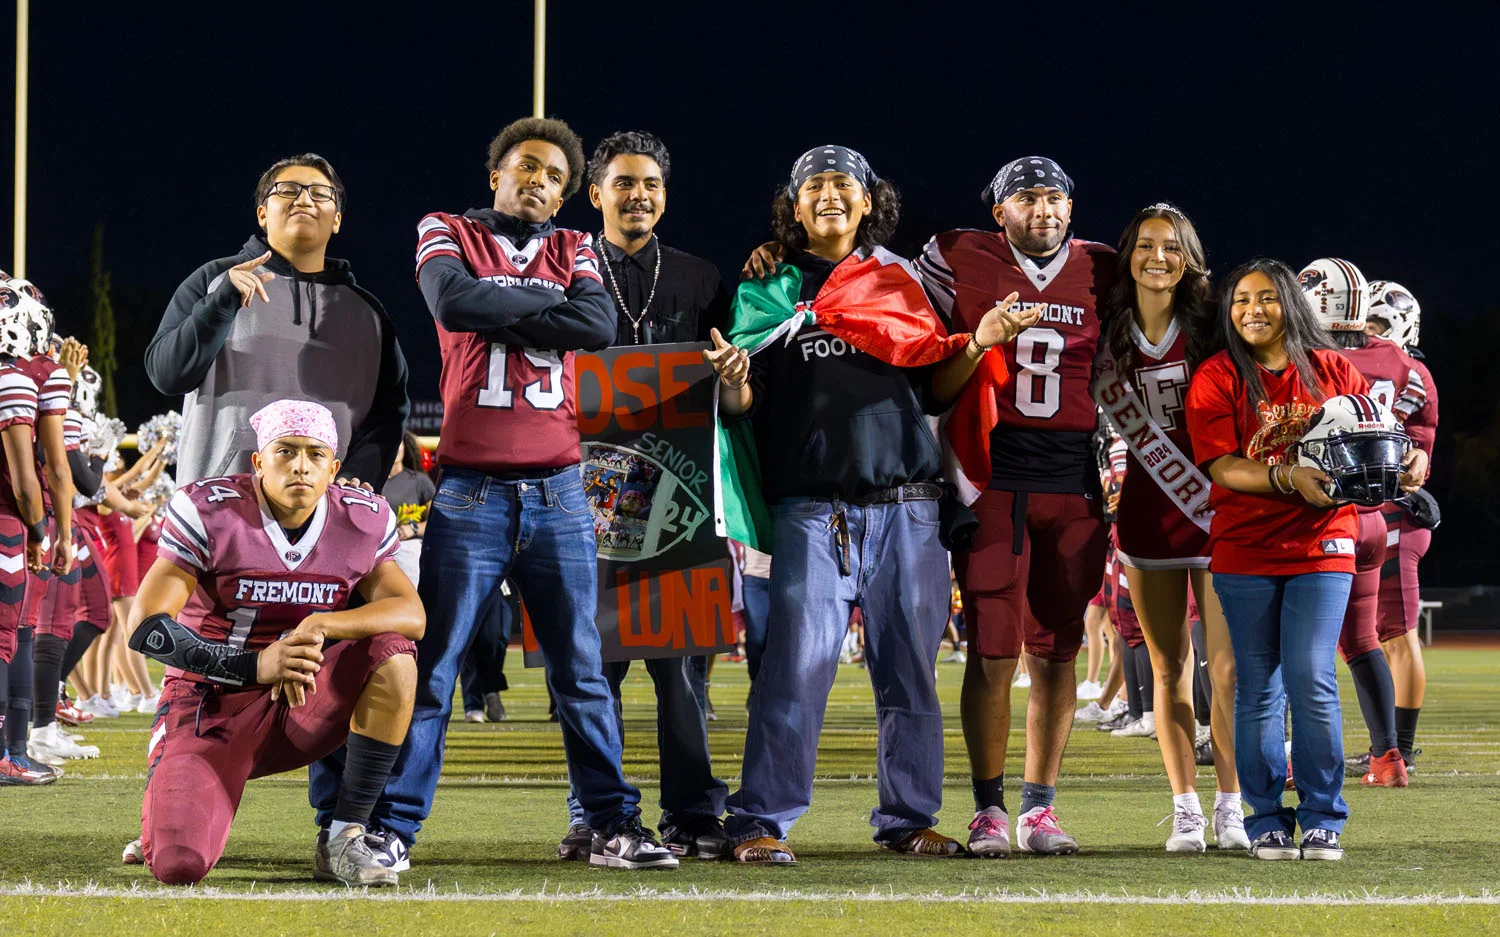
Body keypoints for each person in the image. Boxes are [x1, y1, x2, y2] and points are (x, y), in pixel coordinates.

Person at [356, 116, 675, 872]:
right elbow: (451, 304)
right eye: (526, 167)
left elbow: (596, 323)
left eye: (555, 176)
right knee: (435, 667)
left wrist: (506, 304)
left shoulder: (576, 247)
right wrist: (544, 314)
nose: (538, 181)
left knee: (582, 670)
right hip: (470, 488)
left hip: (560, 487)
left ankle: (612, 822)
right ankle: (396, 826)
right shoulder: (447, 229)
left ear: (567, 194)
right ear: (495, 172)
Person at [708, 145, 1034, 864]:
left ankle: (909, 816)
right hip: (808, 506)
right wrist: (731, 376)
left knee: (911, 670)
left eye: (844, 183)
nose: (829, 193)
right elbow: (742, 404)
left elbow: (936, 388)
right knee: (792, 668)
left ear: (867, 202)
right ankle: (760, 818)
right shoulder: (764, 288)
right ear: (794, 207)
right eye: (814, 185)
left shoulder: (901, 279)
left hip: (908, 504)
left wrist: (977, 344)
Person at [1184, 258, 1427, 861]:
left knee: (1312, 677)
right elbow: (1223, 468)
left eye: (1266, 298)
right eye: (1240, 300)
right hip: (1245, 543)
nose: (1251, 310)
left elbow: (1380, 438)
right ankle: (1265, 815)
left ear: (1291, 304)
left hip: (1324, 538)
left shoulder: (1331, 368)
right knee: (1255, 687)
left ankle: (1323, 816)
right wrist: (1291, 475)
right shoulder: (1217, 375)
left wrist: (1409, 468)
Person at [127, 399, 423, 886]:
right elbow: (148, 626)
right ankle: (174, 806)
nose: (301, 465)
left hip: (305, 699)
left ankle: (345, 836)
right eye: (285, 451)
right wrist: (255, 665)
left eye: (315, 454)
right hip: (212, 702)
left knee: (393, 653)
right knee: (179, 865)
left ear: (334, 467)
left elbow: (410, 613)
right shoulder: (211, 510)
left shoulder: (361, 517)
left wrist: (321, 625)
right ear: (258, 461)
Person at [916, 157, 1111, 856]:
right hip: (993, 476)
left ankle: (1040, 808)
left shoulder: (1103, 268)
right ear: (999, 210)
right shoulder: (956, 255)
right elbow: (881, 295)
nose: (1046, 210)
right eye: (1028, 198)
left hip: (1075, 484)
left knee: (1057, 649)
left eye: (1057, 197)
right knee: (993, 649)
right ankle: (989, 807)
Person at [553, 130, 732, 860]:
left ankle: (693, 811)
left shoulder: (698, 277)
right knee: (590, 668)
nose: (639, 195)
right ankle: (594, 809)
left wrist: (737, 377)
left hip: (676, 495)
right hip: (579, 493)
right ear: (594, 193)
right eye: (624, 183)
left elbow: (733, 389)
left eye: (651, 183)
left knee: (681, 670)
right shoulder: (561, 269)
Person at [1094, 204, 1245, 852]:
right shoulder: (1110, 334)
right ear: (1128, 255)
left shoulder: (1212, 325)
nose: (1159, 257)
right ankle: (1185, 806)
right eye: (1147, 246)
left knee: (1230, 669)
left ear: (1190, 257)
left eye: (1172, 247)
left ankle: (1232, 803)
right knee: (1166, 667)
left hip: (1215, 516)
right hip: (1147, 518)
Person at [145, 153, 409, 489]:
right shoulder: (214, 280)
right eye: (287, 190)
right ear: (262, 214)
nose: (303, 199)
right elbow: (166, 374)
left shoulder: (369, 313)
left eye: (319, 193)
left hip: (324, 514)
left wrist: (355, 476)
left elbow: (389, 415)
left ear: (337, 219)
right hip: (219, 504)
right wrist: (221, 303)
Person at [1300, 260, 1434, 788]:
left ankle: (1294, 759)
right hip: (1377, 518)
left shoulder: (1309, 358)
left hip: (1325, 517)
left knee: (1298, 646)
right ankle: (1388, 757)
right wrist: (1417, 464)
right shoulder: (1407, 367)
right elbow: (1421, 439)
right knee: (1363, 641)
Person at [1365, 281, 1437, 775]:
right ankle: (1385, 743)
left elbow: (1419, 452)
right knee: (1364, 633)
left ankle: (1400, 749)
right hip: (1368, 512)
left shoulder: (1411, 374)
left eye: (1378, 324)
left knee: (1395, 633)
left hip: (1394, 514)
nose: (1367, 333)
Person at [0, 291, 55, 784]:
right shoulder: (12, 380)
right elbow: (23, 479)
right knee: (6, 636)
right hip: (4, 524)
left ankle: (12, 749)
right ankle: (6, 753)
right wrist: (38, 530)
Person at [382, 431, 434, 587]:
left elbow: (437, 522)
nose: (396, 448)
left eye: (399, 443)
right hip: (376, 554)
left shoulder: (419, 481)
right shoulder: (370, 480)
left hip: (408, 553)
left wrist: (414, 528)